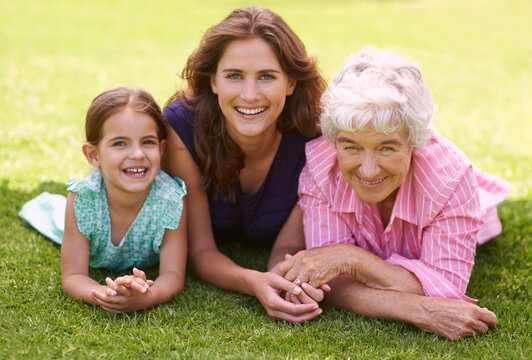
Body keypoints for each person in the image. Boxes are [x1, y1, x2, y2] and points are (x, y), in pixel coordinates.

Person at [276, 47, 510, 340]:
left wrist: (350, 258)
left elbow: (444, 287)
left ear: (413, 141)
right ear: (335, 140)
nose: (369, 170)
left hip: (461, 207)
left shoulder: (450, 179)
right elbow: (328, 282)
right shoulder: (322, 167)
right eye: (351, 146)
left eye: (387, 147)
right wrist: (418, 310)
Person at [163, 6, 328, 322]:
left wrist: (283, 278)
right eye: (234, 76)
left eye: (266, 76)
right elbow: (200, 252)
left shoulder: (315, 135)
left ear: (291, 82)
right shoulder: (181, 127)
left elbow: (290, 244)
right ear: (213, 81)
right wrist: (255, 282)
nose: (250, 95)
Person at [61, 87, 188, 313]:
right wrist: (108, 294)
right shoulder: (83, 199)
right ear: (93, 155)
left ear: (162, 148)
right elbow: (73, 276)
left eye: (148, 142)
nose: (137, 154)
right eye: (120, 143)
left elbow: (173, 275)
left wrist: (148, 296)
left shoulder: (171, 199)